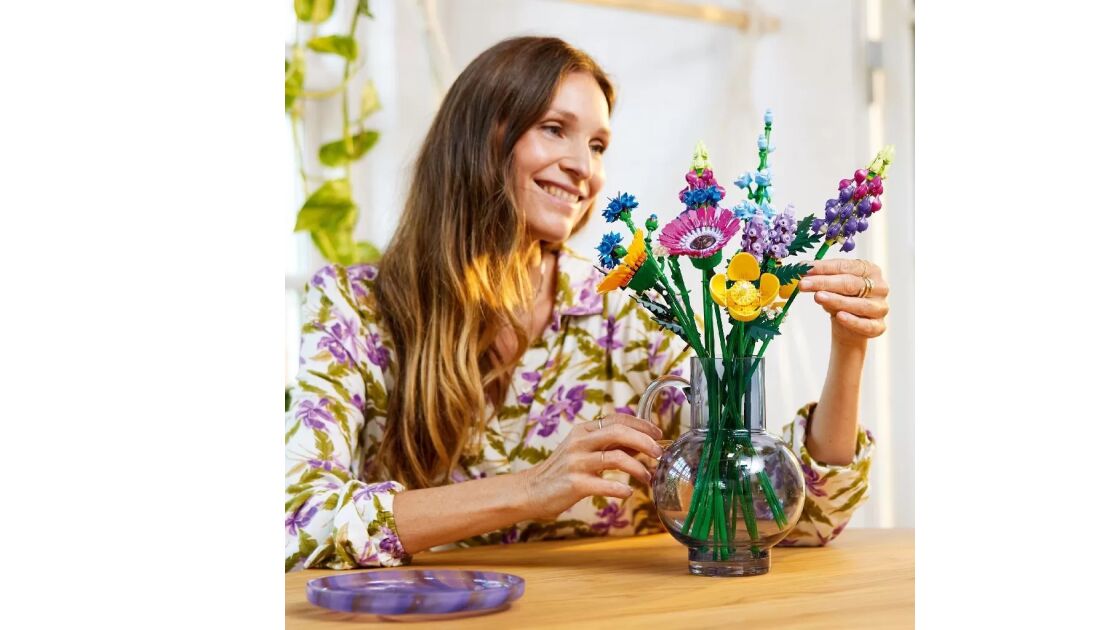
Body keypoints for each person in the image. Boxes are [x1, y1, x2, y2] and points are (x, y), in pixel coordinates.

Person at [284, 36, 887, 571]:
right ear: (477, 137)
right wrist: (530, 489)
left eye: (597, 144)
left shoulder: (635, 308)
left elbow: (787, 518)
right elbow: (296, 522)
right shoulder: (354, 308)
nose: (583, 167)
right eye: (555, 128)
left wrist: (850, 345)